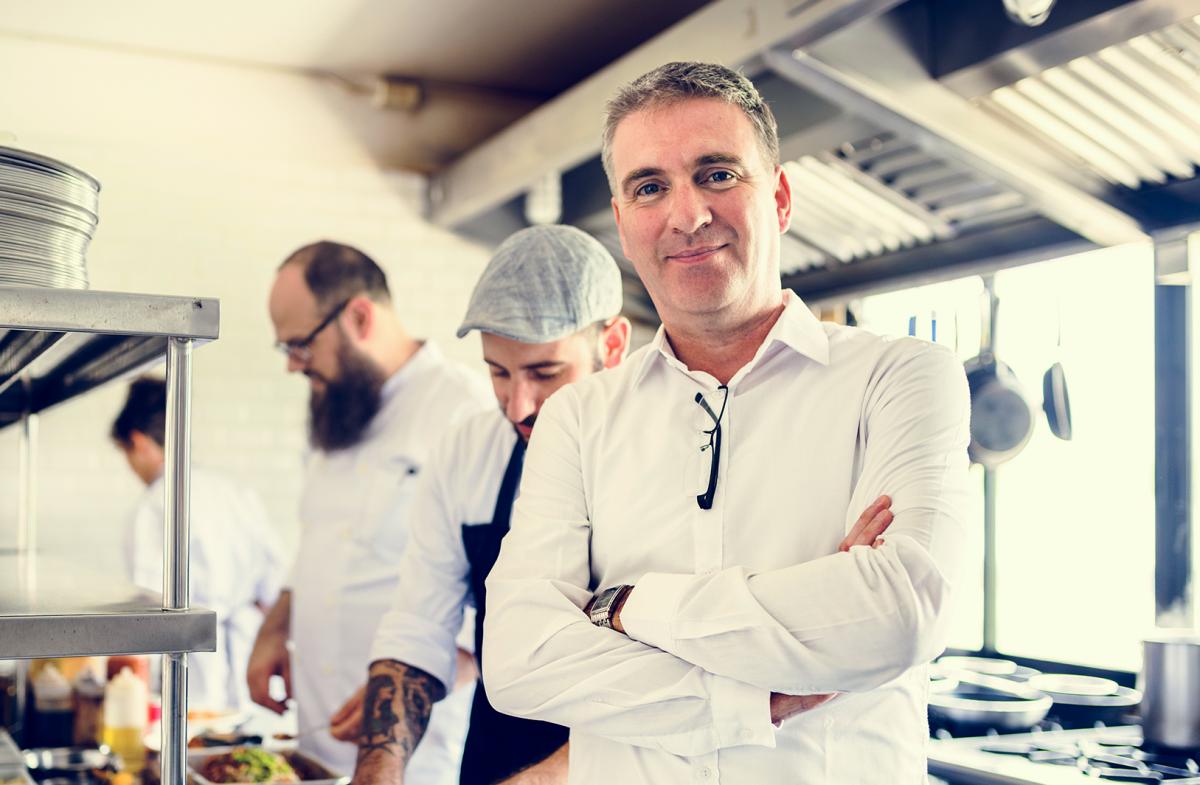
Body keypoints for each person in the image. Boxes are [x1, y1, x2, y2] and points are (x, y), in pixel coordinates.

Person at [482, 62, 971, 784]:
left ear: (778, 197)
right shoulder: (578, 420)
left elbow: (901, 612)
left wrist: (623, 606)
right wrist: (748, 695)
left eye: (716, 174)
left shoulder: (900, 376)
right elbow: (520, 661)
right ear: (622, 222)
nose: (686, 215)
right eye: (650, 187)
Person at [329, 225, 628, 785]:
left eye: (545, 373)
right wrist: (378, 767)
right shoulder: (469, 450)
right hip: (495, 756)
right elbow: (421, 622)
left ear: (611, 346)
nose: (519, 405)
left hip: (621, 766)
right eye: (498, 372)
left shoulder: (669, 453)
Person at [251, 241, 490, 780]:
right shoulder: (335, 412)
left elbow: (502, 605)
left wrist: (403, 688)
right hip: (317, 739)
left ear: (359, 317)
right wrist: (274, 625)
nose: (293, 365)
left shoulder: (464, 412)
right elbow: (321, 542)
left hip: (417, 757)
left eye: (300, 345)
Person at [112, 376, 286, 712]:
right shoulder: (233, 492)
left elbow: (148, 612)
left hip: (193, 675)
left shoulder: (154, 505)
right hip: (251, 669)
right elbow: (273, 588)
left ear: (139, 443)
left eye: (127, 455)